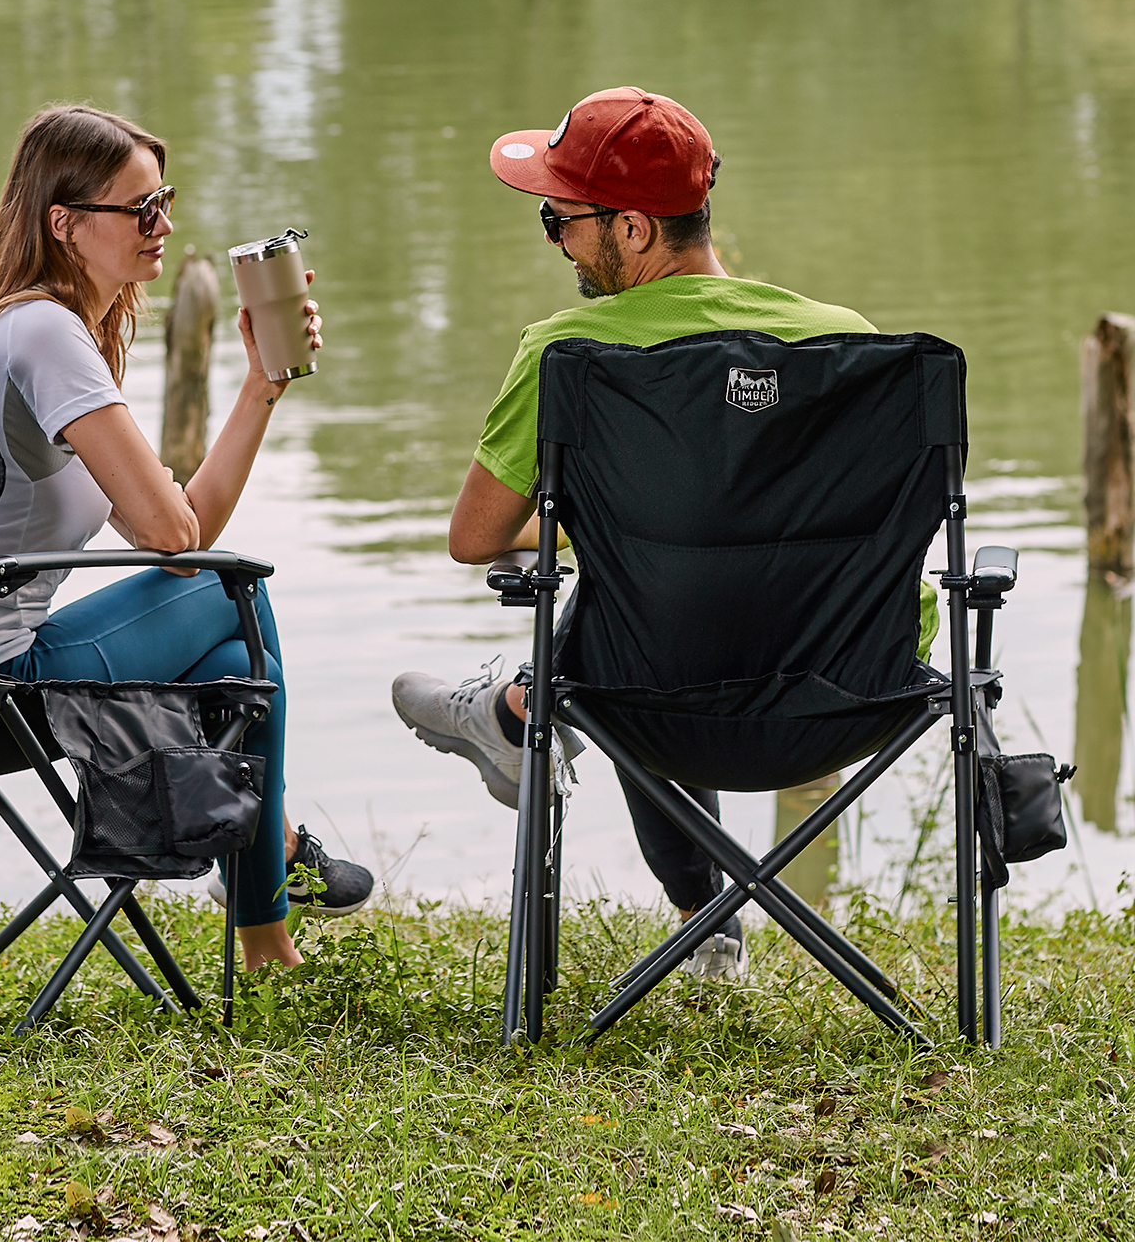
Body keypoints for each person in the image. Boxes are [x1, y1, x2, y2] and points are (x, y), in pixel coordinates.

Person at [392, 86, 937, 983]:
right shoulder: (849, 348)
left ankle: (518, 711)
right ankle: (531, 726)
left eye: (558, 218)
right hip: (854, 695)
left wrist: (621, 522)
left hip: (650, 698)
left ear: (635, 229)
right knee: (694, 600)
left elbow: (475, 535)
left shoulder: (571, 355)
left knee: (656, 616)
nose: (557, 239)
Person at [0, 103, 373, 971]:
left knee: (236, 670)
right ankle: (274, 889)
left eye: (166, 199)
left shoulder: (16, 329)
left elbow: (181, 532)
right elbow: (176, 539)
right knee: (239, 595)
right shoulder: (45, 332)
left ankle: (269, 921)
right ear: (64, 224)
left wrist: (262, 384)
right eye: (138, 208)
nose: (164, 224)